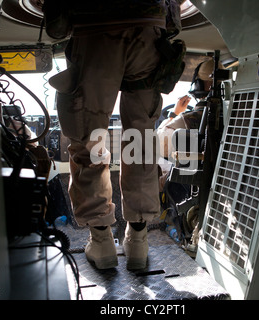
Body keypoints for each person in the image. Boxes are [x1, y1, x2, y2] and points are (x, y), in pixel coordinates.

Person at [49, 0, 183, 271]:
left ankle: (101, 242)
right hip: (148, 28)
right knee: (141, 141)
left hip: (96, 26)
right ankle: (138, 240)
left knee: (90, 142)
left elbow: (56, 25)